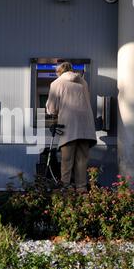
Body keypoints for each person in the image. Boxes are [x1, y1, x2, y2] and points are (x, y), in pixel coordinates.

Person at [46, 62, 97, 193]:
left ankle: (66, 188)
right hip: (86, 126)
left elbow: (52, 108)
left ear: (59, 72)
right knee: (82, 160)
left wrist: (52, 113)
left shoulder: (56, 83)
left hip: (68, 126)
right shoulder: (83, 82)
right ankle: (82, 189)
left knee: (66, 160)